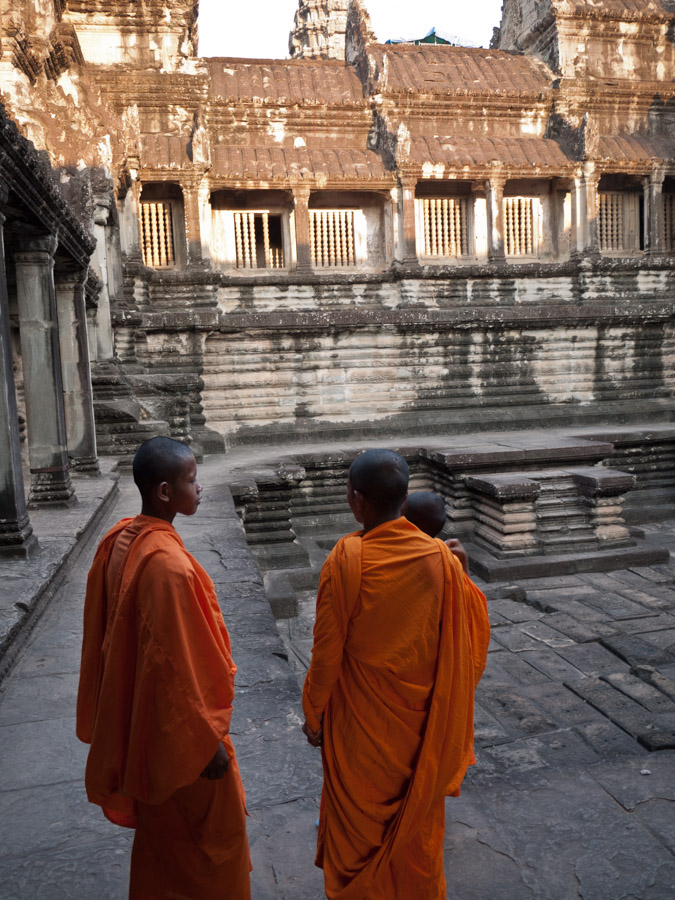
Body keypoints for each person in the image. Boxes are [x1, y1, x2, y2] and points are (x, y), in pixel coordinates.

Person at [302, 449, 490, 900]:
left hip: (360, 730)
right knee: (415, 834)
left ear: (355, 500)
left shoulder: (345, 561)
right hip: (420, 729)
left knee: (360, 837)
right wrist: (463, 572)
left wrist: (313, 716)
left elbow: (326, 656)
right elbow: (471, 642)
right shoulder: (441, 561)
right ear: (404, 499)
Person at [76, 436, 251, 900]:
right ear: (165, 493)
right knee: (212, 846)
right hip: (180, 738)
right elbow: (174, 666)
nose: (201, 489)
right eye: (192, 480)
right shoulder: (168, 567)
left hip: (145, 725)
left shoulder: (119, 539)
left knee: (163, 844)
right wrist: (205, 740)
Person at [402, 490, 470, 574]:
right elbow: (464, 586)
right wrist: (463, 562)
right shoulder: (445, 557)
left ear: (406, 524)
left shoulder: (394, 552)